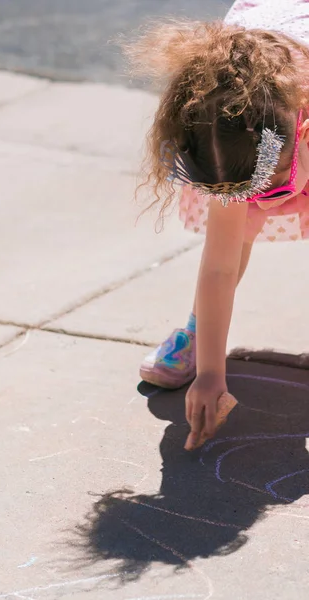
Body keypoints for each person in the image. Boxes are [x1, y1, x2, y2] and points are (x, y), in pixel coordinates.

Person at [125, 0, 309, 449]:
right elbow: (220, 266)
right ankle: (196, 330)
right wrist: (210, 375)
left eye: (261, 189)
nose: (256, 206)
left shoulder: (284, 123)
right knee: (231, 235)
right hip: (270, 136)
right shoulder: (226, 123)